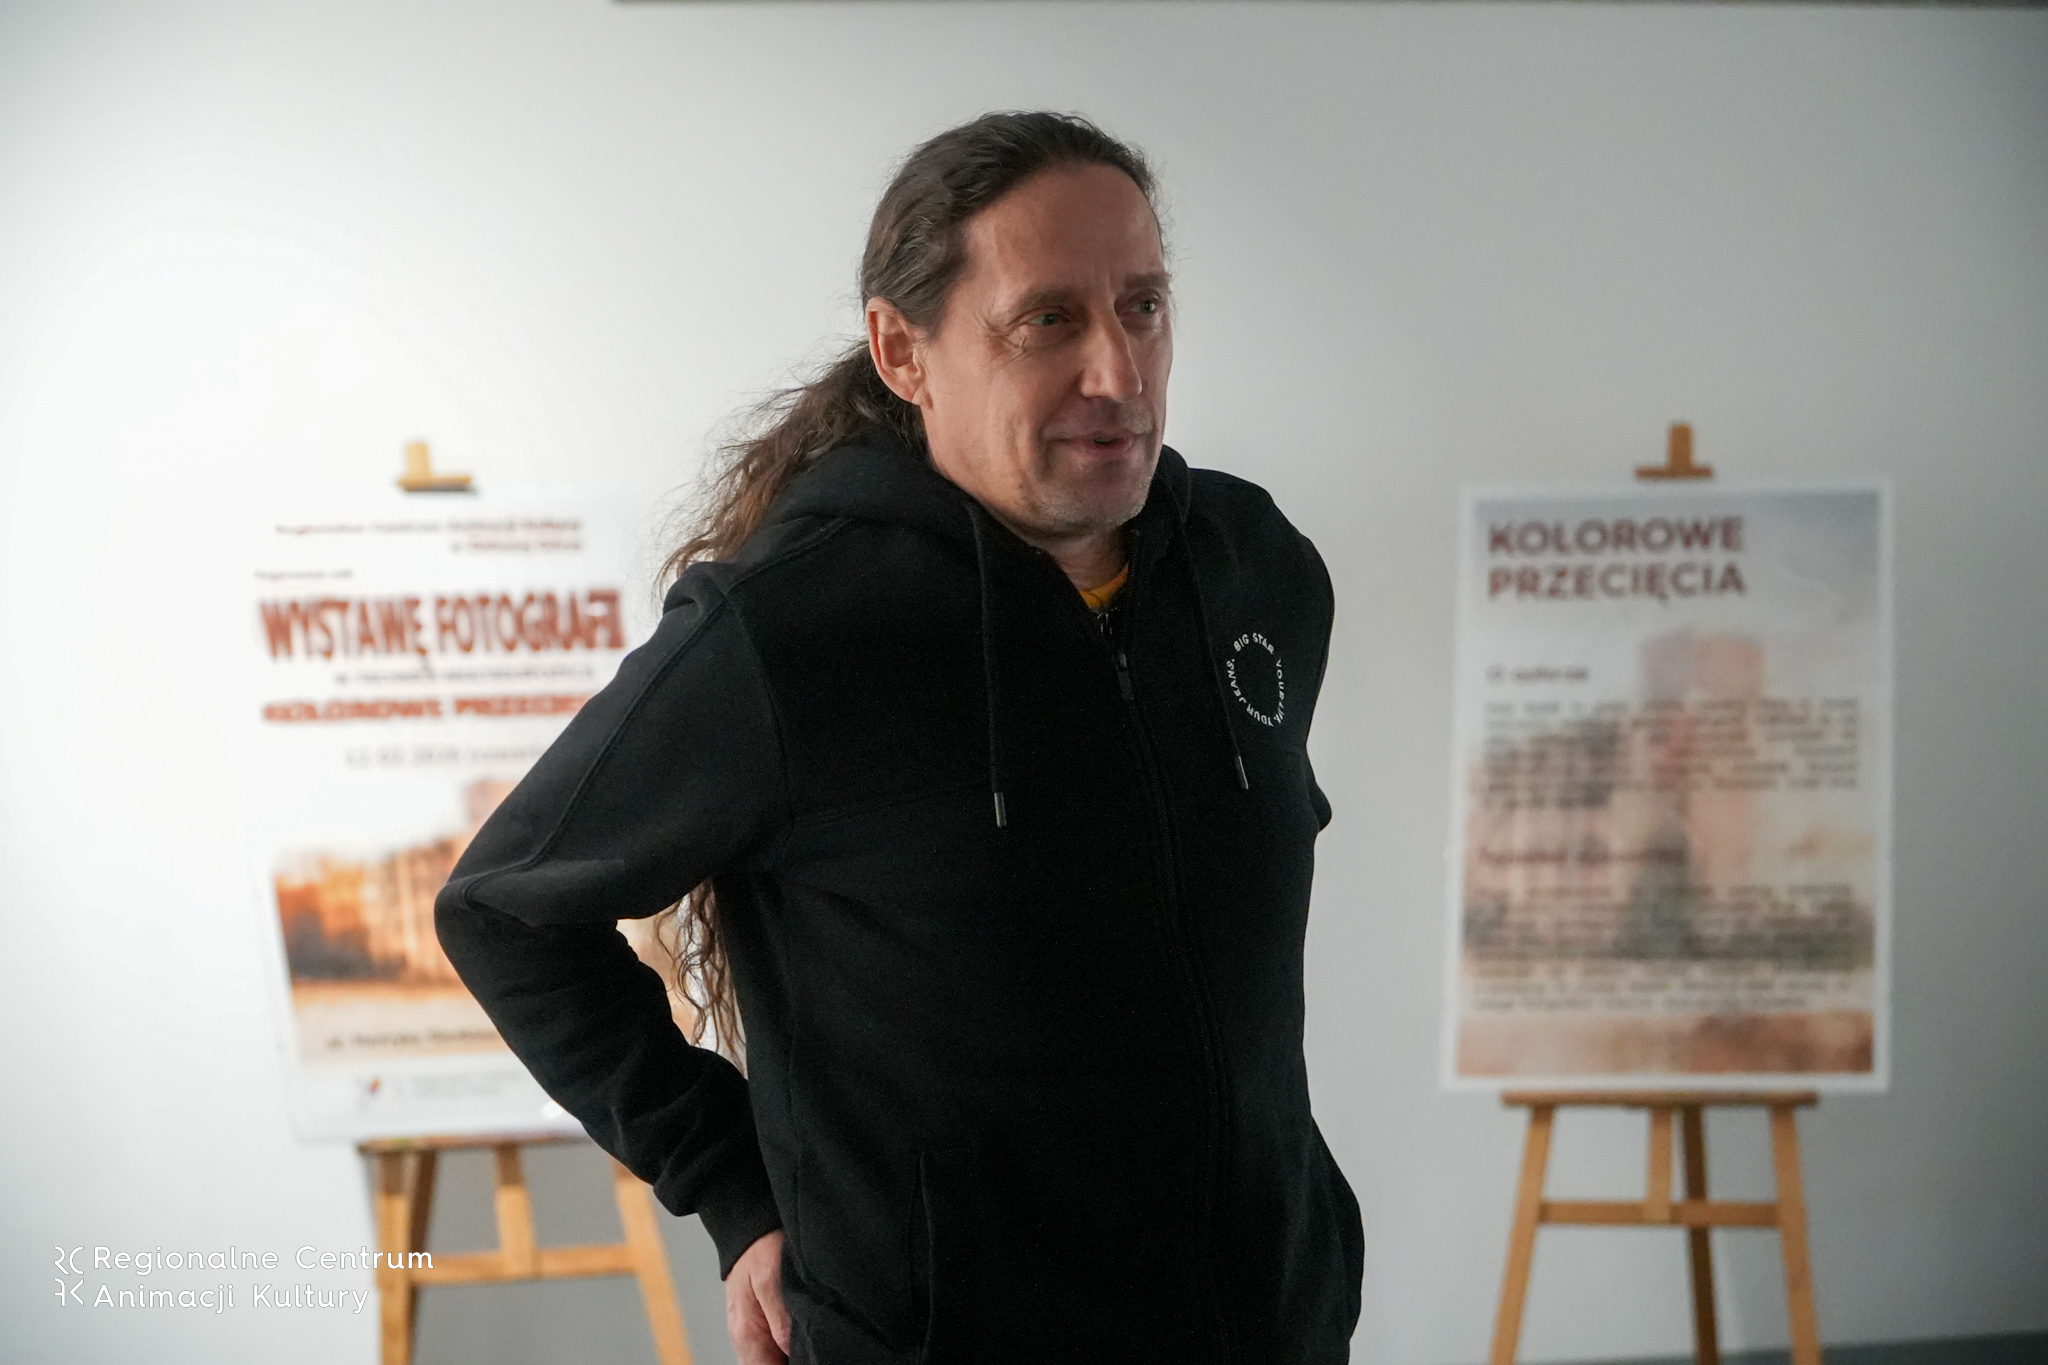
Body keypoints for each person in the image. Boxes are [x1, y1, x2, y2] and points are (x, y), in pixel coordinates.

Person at [435, 110, 1360, 1365]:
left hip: (1274, 1331)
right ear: (902, 351)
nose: (1117, 371)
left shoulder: (1253, 570)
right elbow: (504, 909)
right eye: (1047, 321)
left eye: (1141, 307)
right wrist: (728, 1180)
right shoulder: (791, 631)